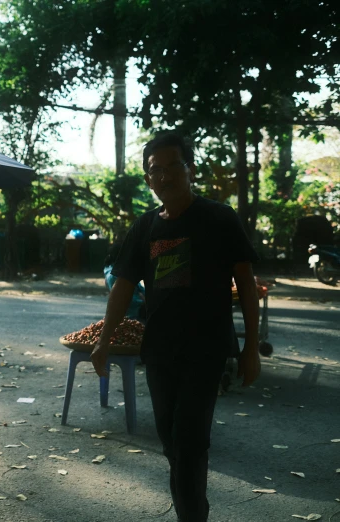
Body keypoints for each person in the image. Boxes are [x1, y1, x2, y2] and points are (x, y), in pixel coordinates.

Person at [91, 133, 261, 522]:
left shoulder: (219, 219)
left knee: (189, 440)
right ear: (148, 179)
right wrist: (103, 341)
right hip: (160, 351)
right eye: (156, 170)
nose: (164, 176)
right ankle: (192, 509)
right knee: (170, 441)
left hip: (206, 349)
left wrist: (251, 348)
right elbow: (123, 288)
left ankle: (191, 515)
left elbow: (247, 285)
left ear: (190, 170)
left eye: (172, 167)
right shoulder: (145, 227)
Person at [103, 242, 146, 322]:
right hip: (132, 315)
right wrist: (143, 301)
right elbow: (127, 300)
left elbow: (140, 289)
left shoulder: (125, 271)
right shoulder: (114, 275)